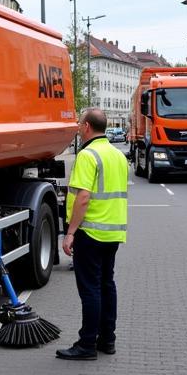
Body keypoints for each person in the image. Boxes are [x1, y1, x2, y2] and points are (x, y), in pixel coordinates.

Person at [57, 107, 128, 361]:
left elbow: (83, 197)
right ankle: (107, 340)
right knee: (107, 285)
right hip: (113, 232)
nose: (78, 127)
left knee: (90, 290)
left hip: (90, 232)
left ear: (87, 126)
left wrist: (70, 233)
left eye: (79, 124)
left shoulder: (88, 155)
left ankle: (87, 344)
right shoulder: (117, 155)